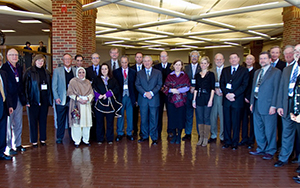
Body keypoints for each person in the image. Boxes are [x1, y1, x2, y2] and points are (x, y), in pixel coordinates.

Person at [249, 51, 281, 160]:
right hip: (257, 103)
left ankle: (271, 150)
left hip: (268, 105)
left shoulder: (276, 72)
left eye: (265, 58)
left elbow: (277, 90)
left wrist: (274, 105)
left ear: (270, 60)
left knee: (270, 129)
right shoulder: (257, 72)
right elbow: (254, 88)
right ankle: (261, 148)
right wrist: (252, 103)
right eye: (261, 58)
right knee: (258, 128)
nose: (262, 60)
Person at [275, 44, 300, 167]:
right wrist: (280, 105)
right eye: (295, 51)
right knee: (286, 132)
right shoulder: (287, 70)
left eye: (298, 51)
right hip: (287, 104)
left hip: (299, 105)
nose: (296, 53)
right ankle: (283, 157)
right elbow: (281, 89)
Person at [220, 53, 249, 150]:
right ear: (229, 60)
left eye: (235, 58)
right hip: (227, 100)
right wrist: (227, 94)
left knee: (236, 122)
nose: (233, 60)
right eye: (231, 58)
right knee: (226, 122)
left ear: (238, 59)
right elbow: (222, 83)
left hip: (237, 100)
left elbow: (244, 85)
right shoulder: (225, 70)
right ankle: (227, 141)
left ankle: (235, 142)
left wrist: (234, 94)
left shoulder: (244, 71)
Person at [2, 48, 27, 155]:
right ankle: (9, 146)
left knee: (18, 123)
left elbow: (21, 84)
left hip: (19, 99)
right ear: (7, 57)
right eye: (12, 55)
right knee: (8, 125)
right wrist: (8, 103)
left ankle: (18, 144)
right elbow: (5, 87)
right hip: (9, 100)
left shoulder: (19, 68)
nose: (14, 57)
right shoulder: (4, 68)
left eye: (16, 55)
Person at [24, 54, 52, 147]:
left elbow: (49, 87)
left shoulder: (46, 72)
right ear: (35, 61)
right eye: (39, 60)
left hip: (44, 100)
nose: (40, 62)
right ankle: (34, 141)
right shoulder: (29, 72)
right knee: (33, 121)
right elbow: (25, 87)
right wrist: (27, 100)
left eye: (42, 61)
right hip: (33, 100)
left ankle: (43, 139)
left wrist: (49, 100)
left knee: (43, 120)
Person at [135, 56, 162, 145]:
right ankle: (144, 136)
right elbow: (137, 85)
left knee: (154, 119)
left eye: (148, 61)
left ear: (151, 62)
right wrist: (145, 93)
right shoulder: (139, 73)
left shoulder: (158, 73)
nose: (146, 63)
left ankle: (154, 138)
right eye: (145, 61)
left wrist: (151, 93)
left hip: (154, 99)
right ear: (143, 63)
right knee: (143, 119)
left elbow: (159, 84)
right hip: (143, 99)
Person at [92, 63, 122, 144]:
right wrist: (98, 95)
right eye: (102, 69)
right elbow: (93, 89)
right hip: (99, 104)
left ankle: (109, 139)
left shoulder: (113, 79)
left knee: (110, 123)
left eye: (106, 69)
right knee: (99, 123)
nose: (104, 70)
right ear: (100, 70)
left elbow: (116, 88)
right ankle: (100, 139)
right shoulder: (96, 79)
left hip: (110, 104)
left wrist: (107, 94)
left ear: (108, 70)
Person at [163, 60, 190, 144]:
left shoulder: (185, 76)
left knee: (180, 119)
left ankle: (179, 136)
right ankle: (174, 135)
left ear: (181, 66)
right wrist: (171, 90)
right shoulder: (169, 76)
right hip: (171, 101)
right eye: (176, 65)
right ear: (173, 66)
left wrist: (178, 90)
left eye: (179, 65)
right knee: (172, 119)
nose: (178, 66)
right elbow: (165, 87)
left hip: (181, 101)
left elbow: (188, 86)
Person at [52, 53, 76, 144]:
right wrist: (56, 97)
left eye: (69, 59)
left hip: (72, 99)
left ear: (71, 60)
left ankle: (72, 137)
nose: (67, 61)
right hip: (61, 99)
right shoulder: (57, 71)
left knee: (72, 120)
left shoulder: (75, 70)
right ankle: (59, 137)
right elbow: (54, 86)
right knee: (60, 120)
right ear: (63, 60)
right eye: (66, 59)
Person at [67, 67, 94, 147]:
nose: (81, 74)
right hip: (77, 104)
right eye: (79, 72)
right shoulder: (73, 81)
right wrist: (79, 99)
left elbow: (91, 92)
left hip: (86, 105)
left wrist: (88, 98)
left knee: (86, 123)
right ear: (77, 73)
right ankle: (77, 140)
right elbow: (70, 93)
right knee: (76, 124)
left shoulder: (88, 82)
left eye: (83, 72)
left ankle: (86, 139)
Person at [192, 56, 215, 146]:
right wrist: (194, 100)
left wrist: (211, 100)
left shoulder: (211, 74)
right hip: (199, 97)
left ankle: (206, 138)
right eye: (202, 63)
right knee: (199, 118)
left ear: (208, 64)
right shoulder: (197, 75)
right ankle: (200, 137)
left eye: (205, 63)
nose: (203, 65)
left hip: (207, 97)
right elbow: (196, 88)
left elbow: (212, 88)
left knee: (206, 118)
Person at [113, 56, 136, 141]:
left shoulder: (133, 72)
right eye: (122, 62)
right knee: (120, 115)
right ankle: (120, 132)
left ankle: (129, 133)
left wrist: (135, 98)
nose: (124, 64)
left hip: (130, 96)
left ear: (128, 62)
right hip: (120, 96)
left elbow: (135, 85)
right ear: (120, 63)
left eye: (126, 62)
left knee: (130, 115)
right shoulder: (116, 72)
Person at [182, 50, 201, 141]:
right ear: (190, 58)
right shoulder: (186, 68)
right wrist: (189, 87)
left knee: (199, 115)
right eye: (192, 56)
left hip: (199, 95)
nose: (194, 58)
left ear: (198, 58)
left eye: (196, 56)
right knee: (188, 114)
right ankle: (188, 133)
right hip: (188, 94)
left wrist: (195, 88)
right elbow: (183, 80)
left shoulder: (202, 67)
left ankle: (200, 134)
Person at [239, 54, 257, 149]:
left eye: (251, 59)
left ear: (254, 61)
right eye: (247, 59)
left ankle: (251, 140)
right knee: (244, 120)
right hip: (242, 99)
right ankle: (244, 138)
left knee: (253, 121)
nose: (249, 60)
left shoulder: (256, 72)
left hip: (252, 99)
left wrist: (249, 97)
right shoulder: (242, 71)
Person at [154, 51, 172, 138]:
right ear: (160, 58)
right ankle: (158, 131)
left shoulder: (172, 67)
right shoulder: (156, 67)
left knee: (170, 113)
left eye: (165, 56)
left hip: (169, 94)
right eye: (162, 56)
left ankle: (170, 131)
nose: (163, 58)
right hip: (159, 94)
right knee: (159, 113)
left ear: (168, 57)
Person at [209, 53, 225, 143]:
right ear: (214, 61)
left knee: (223, 117)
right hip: (213, 96)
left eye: (220, 59)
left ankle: (222, 136)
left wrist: (222, 90)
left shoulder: (227, 70)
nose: (218, 61)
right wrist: (215, 89)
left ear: (223, 60)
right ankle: (213, 135)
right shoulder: (211, 71)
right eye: (217, 59)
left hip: (223, 96)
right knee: (213, 116)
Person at [130, 52, 144, 136]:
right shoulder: (131, 69)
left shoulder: (146, 68)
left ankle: (143, 131)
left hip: (143, 95)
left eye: (140, 57)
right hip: (134, 94)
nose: (139, 59)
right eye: (137, 57)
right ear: (135, 58)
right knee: (134, 114)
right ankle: (135, 130)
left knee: (143, 114)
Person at [0, 68, 12, 160]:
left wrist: (9, 105)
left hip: (3, 105)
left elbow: (6, 90)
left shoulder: (3, 73)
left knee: (2, 130)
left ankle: (1, 152)